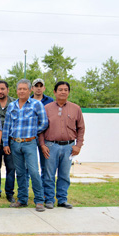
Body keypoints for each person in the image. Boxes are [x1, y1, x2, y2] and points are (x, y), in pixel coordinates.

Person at [2, 79, 48, 212]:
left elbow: (44, 123)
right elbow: (7, 126)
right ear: (16, 91)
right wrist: (6, 143)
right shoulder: (12, 106)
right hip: (15, 143)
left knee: (34, 171)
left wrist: (33, 132)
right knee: (20, 173)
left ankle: (39, 200)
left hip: (30, 143)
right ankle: (22, 199)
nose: (21, 91)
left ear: (30, 90)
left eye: (24, 89)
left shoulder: (36, 104)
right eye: (19, 89)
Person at [39, 81, 85, 209]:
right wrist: (42, 145)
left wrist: (78, 145)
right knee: (48, 175)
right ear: (54, 92)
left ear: (69, 92)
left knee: (64, 175)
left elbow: (81, 128)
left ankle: (62, 199)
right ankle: (49, 199)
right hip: (50, 146)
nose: (63, 92)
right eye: (60, 89)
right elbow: (41, 129)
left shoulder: (76, 109)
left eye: (65, 90)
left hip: (68, 147)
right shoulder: (46, 108)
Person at [0, 80, 16, 203]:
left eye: (2, 89)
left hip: (11, 141)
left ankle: (9, 193)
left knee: (11, 168)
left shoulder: (14, 103)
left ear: (7, 90)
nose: (0, 91)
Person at [30, 78, 54, 183]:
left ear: (44, 88)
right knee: (29, 164)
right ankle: (26, 190)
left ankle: (45, 190)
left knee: (45, 164)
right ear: (32, 88)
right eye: (36, 86)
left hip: (45, 136)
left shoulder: (50, 101)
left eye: (41, 86)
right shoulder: (27, 101)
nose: (38, 88)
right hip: (30, 136)